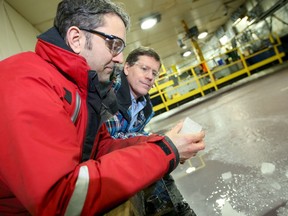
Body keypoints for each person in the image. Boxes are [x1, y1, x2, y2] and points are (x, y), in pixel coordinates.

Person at [0, 0, 205, 215]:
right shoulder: (25, 81)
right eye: (113, 44)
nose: (119, 58)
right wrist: (163, 152)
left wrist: (163, 144)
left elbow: (100, 146)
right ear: (76, 39)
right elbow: (61, 201)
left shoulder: (80, 87)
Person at [105, 47, 197, 216]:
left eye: (154, 73)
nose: (149, 77)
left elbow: (133, 137)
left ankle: (178, 207)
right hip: (100, 165)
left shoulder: (144, 107)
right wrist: (160, 141)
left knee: (159, 157)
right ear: (126, 68)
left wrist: (169, 144)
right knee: (156, 152)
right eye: (144, 69)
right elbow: (108, 138)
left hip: (120, 161)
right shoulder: (110, 92)